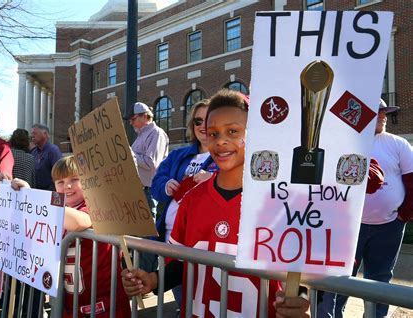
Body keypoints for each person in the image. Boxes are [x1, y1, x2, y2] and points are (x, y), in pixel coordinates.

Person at [122, 89, 310, 317]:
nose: (221, 141)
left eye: (232, 131)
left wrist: (300, 300)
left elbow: (299, 273)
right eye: (212, 133)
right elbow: (183, 263)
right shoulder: (192, 199)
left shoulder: (280, 203)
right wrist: (153, 279)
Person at [318, 99, 413, 318]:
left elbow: (411, 181)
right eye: (377, 112)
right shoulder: (346, 142)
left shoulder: (398, 144)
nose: (383, 116)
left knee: (380, 280)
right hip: (351, 227)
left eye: (384, 113)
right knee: (342, 279)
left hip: (388, 228)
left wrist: (403, 215)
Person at [11, 156, 131, 318]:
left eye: (75, 179)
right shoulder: (61, 208)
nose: (67, 186)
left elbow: (78, 221)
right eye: (60, 182)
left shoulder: (98, 204)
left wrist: (33, 198)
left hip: (105, 305)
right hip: (71, 303)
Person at [150, 99, 217, 306]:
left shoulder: (225, 155)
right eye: (198, 121)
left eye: (209, 120)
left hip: (203, 242)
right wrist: (166, 185)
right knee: (182, 296)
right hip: (172, 239)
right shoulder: (178, 155)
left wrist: (214, 180)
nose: (203, 126)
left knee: (206, 298)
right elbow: (156, 184)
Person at [127, 102, 169, 272]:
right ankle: (140, 271)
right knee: (139, 234)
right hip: (141, 189)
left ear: (145, 116)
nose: (131, 122)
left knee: (147, 234)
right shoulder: (142, 135)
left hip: (150, 190)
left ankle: (145, 274)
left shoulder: (156, 133)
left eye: (133, 118)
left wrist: (130, 154)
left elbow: (152, 164)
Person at [30, 124, 62, 190]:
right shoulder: (33, 152)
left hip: (49, 193)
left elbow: (59, 174)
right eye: (32, 133)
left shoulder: (53, 151)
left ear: (45, 134)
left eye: (34, 133)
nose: (32, 136)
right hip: (35, 192)